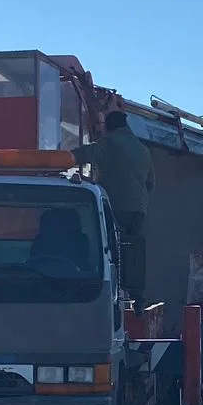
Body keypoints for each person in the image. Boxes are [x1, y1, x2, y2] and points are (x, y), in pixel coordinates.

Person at [73, 110, 155, 303]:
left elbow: (86, 153)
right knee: (133, 251)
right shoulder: (143, 150)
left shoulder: (109, 142)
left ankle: (112, 298)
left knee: (110, 251)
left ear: (108, 127)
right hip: (138, 210)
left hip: (116, 206)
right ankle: (137, 297)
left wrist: (60, 157)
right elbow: (150, 184)